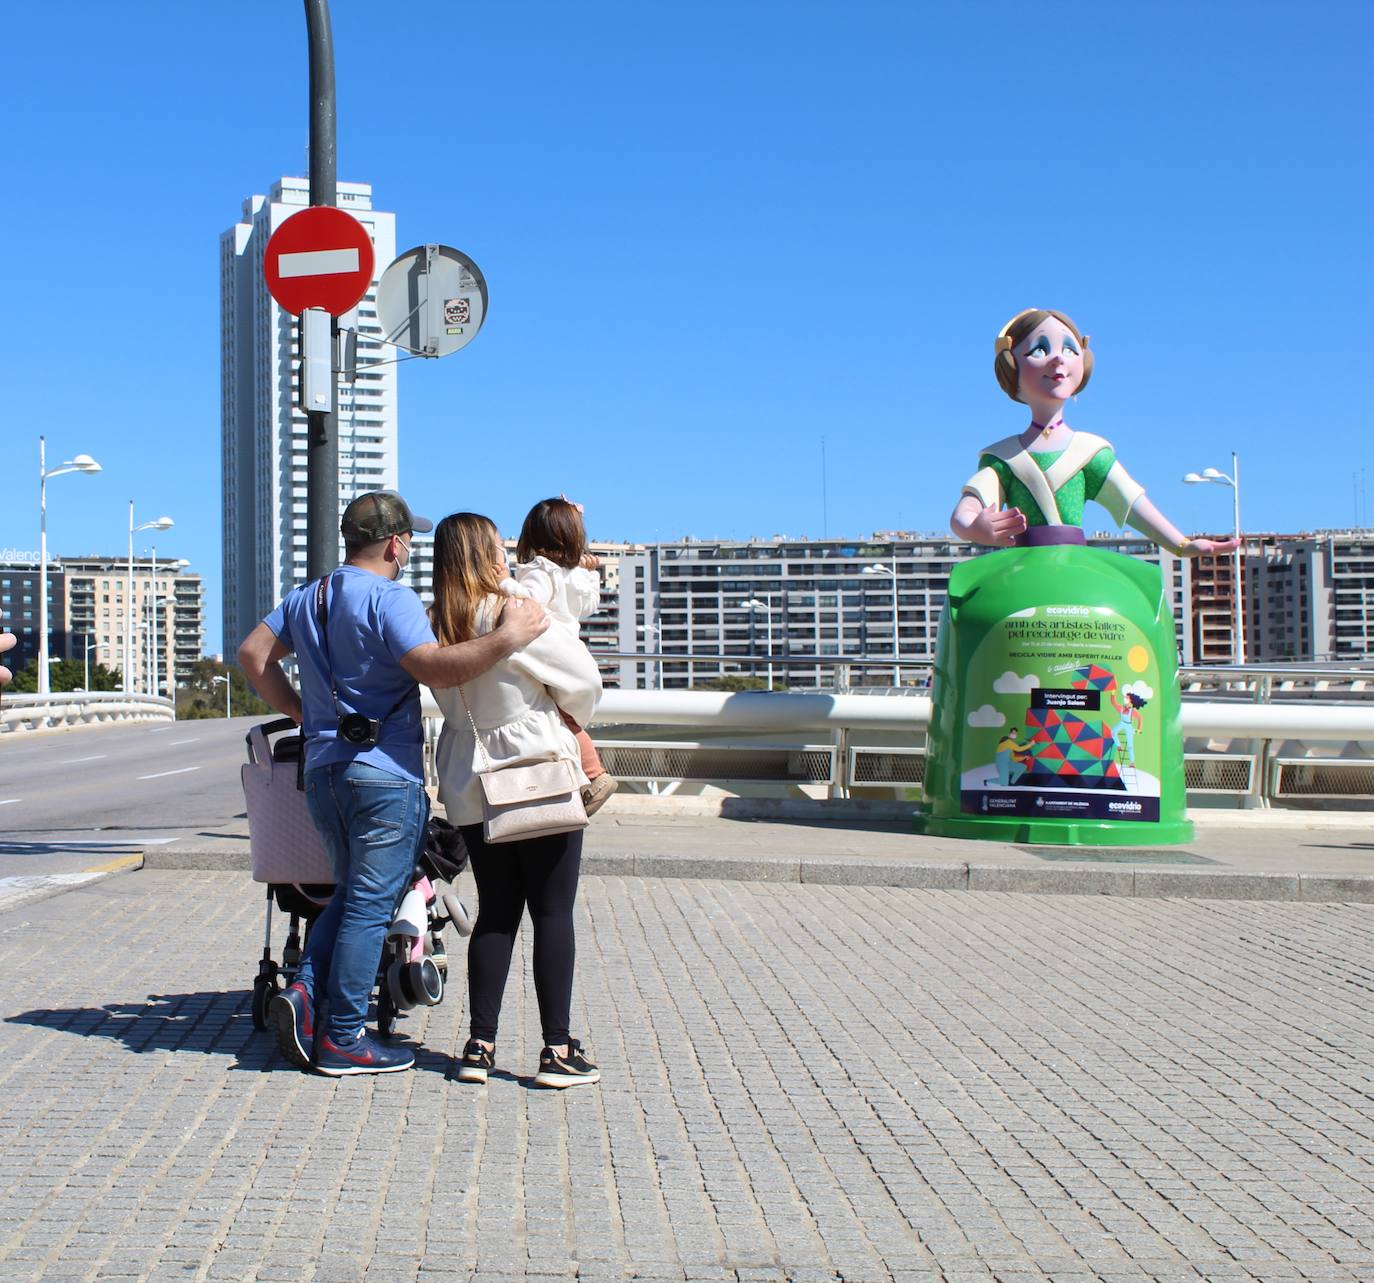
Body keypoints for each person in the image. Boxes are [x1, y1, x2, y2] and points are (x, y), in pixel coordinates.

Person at [238, 491, 548, 1077]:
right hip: (384, 773)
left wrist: (307, 716)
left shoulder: (310, 596)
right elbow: (431, 667)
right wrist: (508, 638)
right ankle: (345, 1039)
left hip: (324, 772)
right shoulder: (390, 597)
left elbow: (254, 656)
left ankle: (304, 992)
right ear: (397, 544)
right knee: (371, 906)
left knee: (354, 894)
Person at [428, 512, 604, 1089]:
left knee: (495, 914)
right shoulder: (512, 610)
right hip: (533, 774)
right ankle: (556, 1050)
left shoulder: (436, 620)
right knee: (552, 912)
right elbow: (582, 677)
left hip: (469, 779)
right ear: (487, 552)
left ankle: (478, 1046)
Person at [949, 308, 1240, 557]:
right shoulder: (1002, 457)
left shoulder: (1089, 453)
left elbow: (1132, 502)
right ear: (1012, 366)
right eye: (1040, 349)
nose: (1057, 359)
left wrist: (1182, 544)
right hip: (1021, 570)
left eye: (1069, 349)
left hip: (1079, 568)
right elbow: (965, 513)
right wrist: (976, 527)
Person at [507, 496, 619, 816]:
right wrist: (589, 571)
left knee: (555, 716)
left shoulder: (540, 570)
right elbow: (589, 605)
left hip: (546, 653)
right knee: (561, 719)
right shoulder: (575, 573)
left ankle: (593, 774)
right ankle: (583, 777)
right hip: (571, 651)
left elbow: (528, 604)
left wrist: (504, 589)